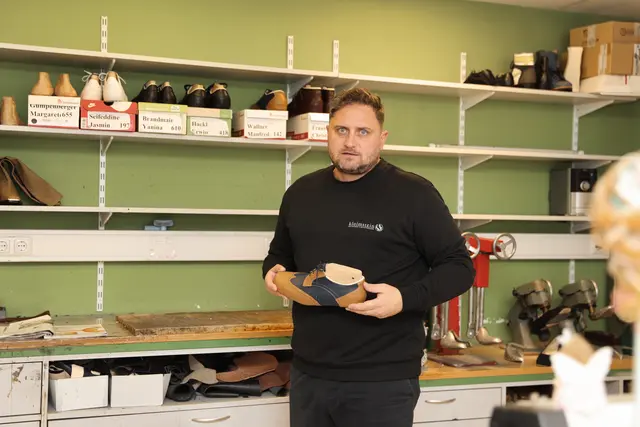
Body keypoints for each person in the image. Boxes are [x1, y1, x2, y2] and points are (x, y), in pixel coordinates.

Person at [262, 87, 475, 427]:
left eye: (363, 132)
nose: (350, 142)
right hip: (309, 374)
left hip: (382, 381)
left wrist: (403, 299)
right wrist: (272, 273)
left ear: (381, 138)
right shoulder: (300, 193)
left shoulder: (414, 194)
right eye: (341, 130)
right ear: (328, 133)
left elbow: (460, 268)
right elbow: (279, 255)